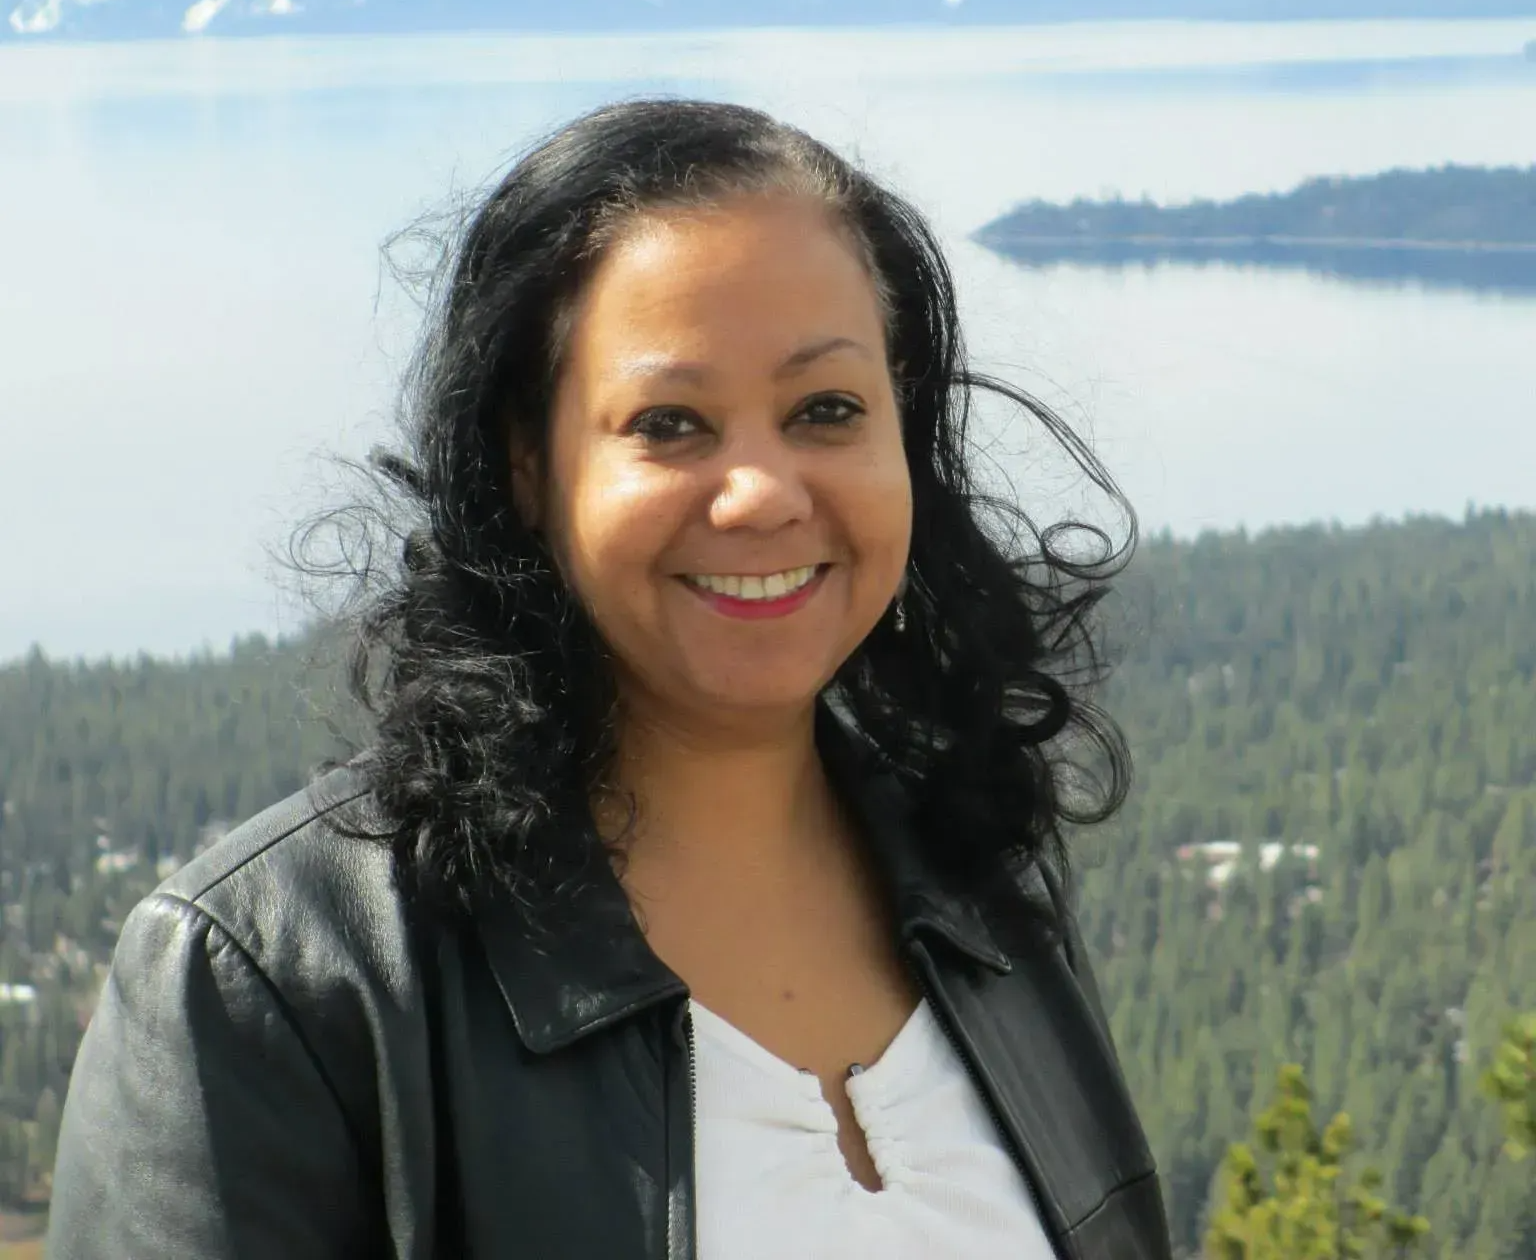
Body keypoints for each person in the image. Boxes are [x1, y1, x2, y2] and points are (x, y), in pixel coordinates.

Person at [47, 99, 1171, 1258]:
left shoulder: (978, 879)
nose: (763, 492)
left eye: (826, 410)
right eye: (672, 423)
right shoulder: (275, 981)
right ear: (527, 469)